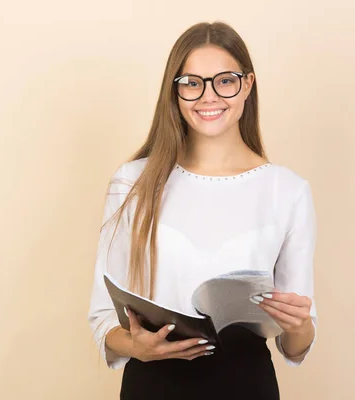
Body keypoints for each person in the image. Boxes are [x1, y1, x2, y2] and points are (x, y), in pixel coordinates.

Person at [87, 21, 317, 399]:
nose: (208, 96)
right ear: (175, 92)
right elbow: (103, 321)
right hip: (153, 385)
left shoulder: (288, 191)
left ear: (247, 84)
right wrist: (134, 346)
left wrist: (298, 325)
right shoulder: (132, 183)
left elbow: (296, 347)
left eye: (224, 80)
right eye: (192, 83)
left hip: (247, 386)